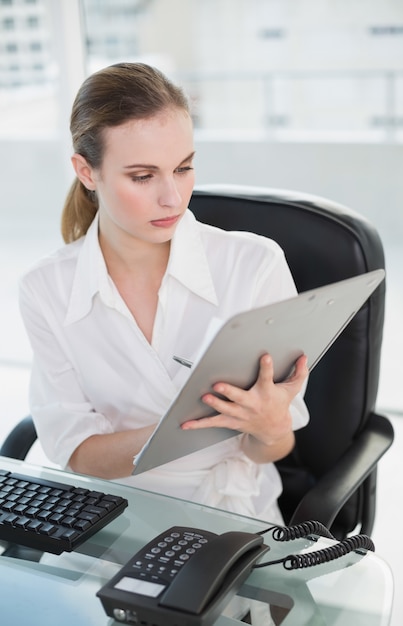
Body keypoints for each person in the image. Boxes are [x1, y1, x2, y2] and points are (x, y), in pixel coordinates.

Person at [19, 62, 309, 526]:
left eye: (184, 167)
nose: (173, 198)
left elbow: (270, 450)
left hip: (234, 515)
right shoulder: (46, 288)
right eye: (142, 176)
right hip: (111, 518)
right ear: (86, 172)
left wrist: (268, 424)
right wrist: (190, 429)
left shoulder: (254, 265)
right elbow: (79, 454)